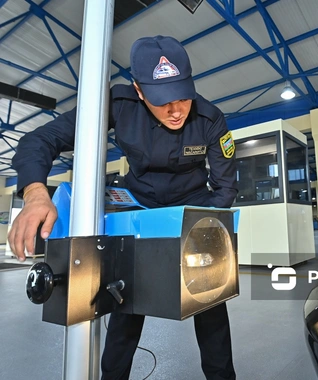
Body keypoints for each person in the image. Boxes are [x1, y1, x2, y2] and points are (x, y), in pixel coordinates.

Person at [9, 35, 238, 380]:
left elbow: (224, 187)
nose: (176, 109)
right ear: (140, 91)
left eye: (182, 96)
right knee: (125, 303)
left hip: (191, 210)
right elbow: (41, 139)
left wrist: (201, 236)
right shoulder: (117, 103)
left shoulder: (210, 119)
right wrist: (35, 192)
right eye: (162, 100)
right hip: (139, 210)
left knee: (210, 303)